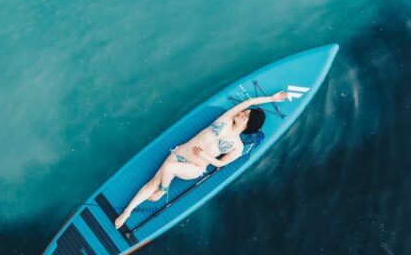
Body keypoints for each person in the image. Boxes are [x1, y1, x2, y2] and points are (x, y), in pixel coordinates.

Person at [114, 91, 290, 229]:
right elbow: (250, 102)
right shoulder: (226, 119)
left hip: (195, 167)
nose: (242, 111)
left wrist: (205, 157)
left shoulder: (237, 146)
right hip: (179, 154)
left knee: (168, 170)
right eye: (243, 111)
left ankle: (162, 191)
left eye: (245, 114)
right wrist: (272, 98)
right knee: (152, 182)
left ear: (247, 121)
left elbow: (221, 164)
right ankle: (127, 212)